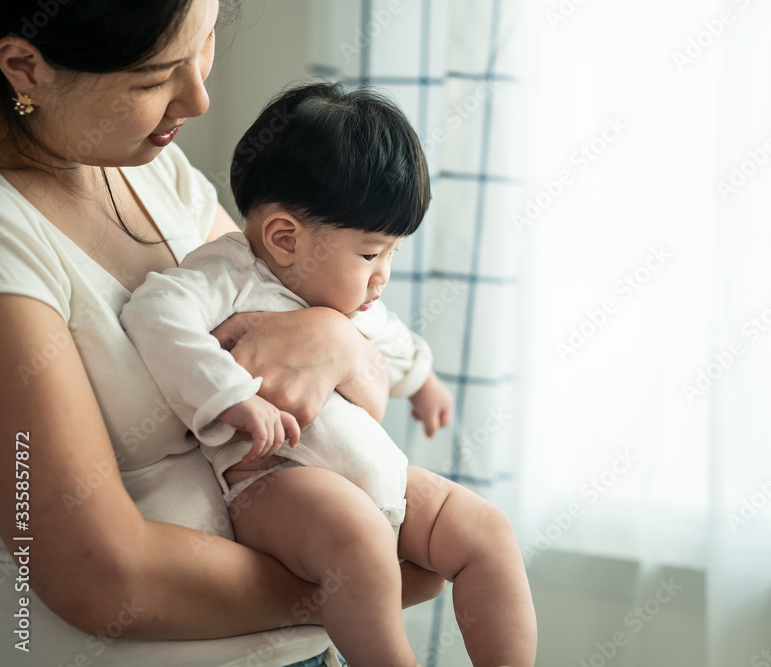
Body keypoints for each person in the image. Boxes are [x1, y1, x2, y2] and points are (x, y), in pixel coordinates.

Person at [0, 1, 441, 665]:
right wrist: (362, 579)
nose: (200, 98)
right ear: (24, 67)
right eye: (153, 79)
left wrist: (335, 337)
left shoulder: (152, 172)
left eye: (205, 43)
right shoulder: (12, 240)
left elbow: (352, 378)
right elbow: (97, 575)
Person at [120, 81, 538, 667]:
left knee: (487, 531)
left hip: (380, 480)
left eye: (393, 253)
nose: (383, 276)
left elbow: (394, 342)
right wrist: (232, 397)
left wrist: (424, 382)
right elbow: (155, 313)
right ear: (285, 239)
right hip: (276, 480)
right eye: (371, 254)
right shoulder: (228, 273)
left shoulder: (349, 302)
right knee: (362, 542)